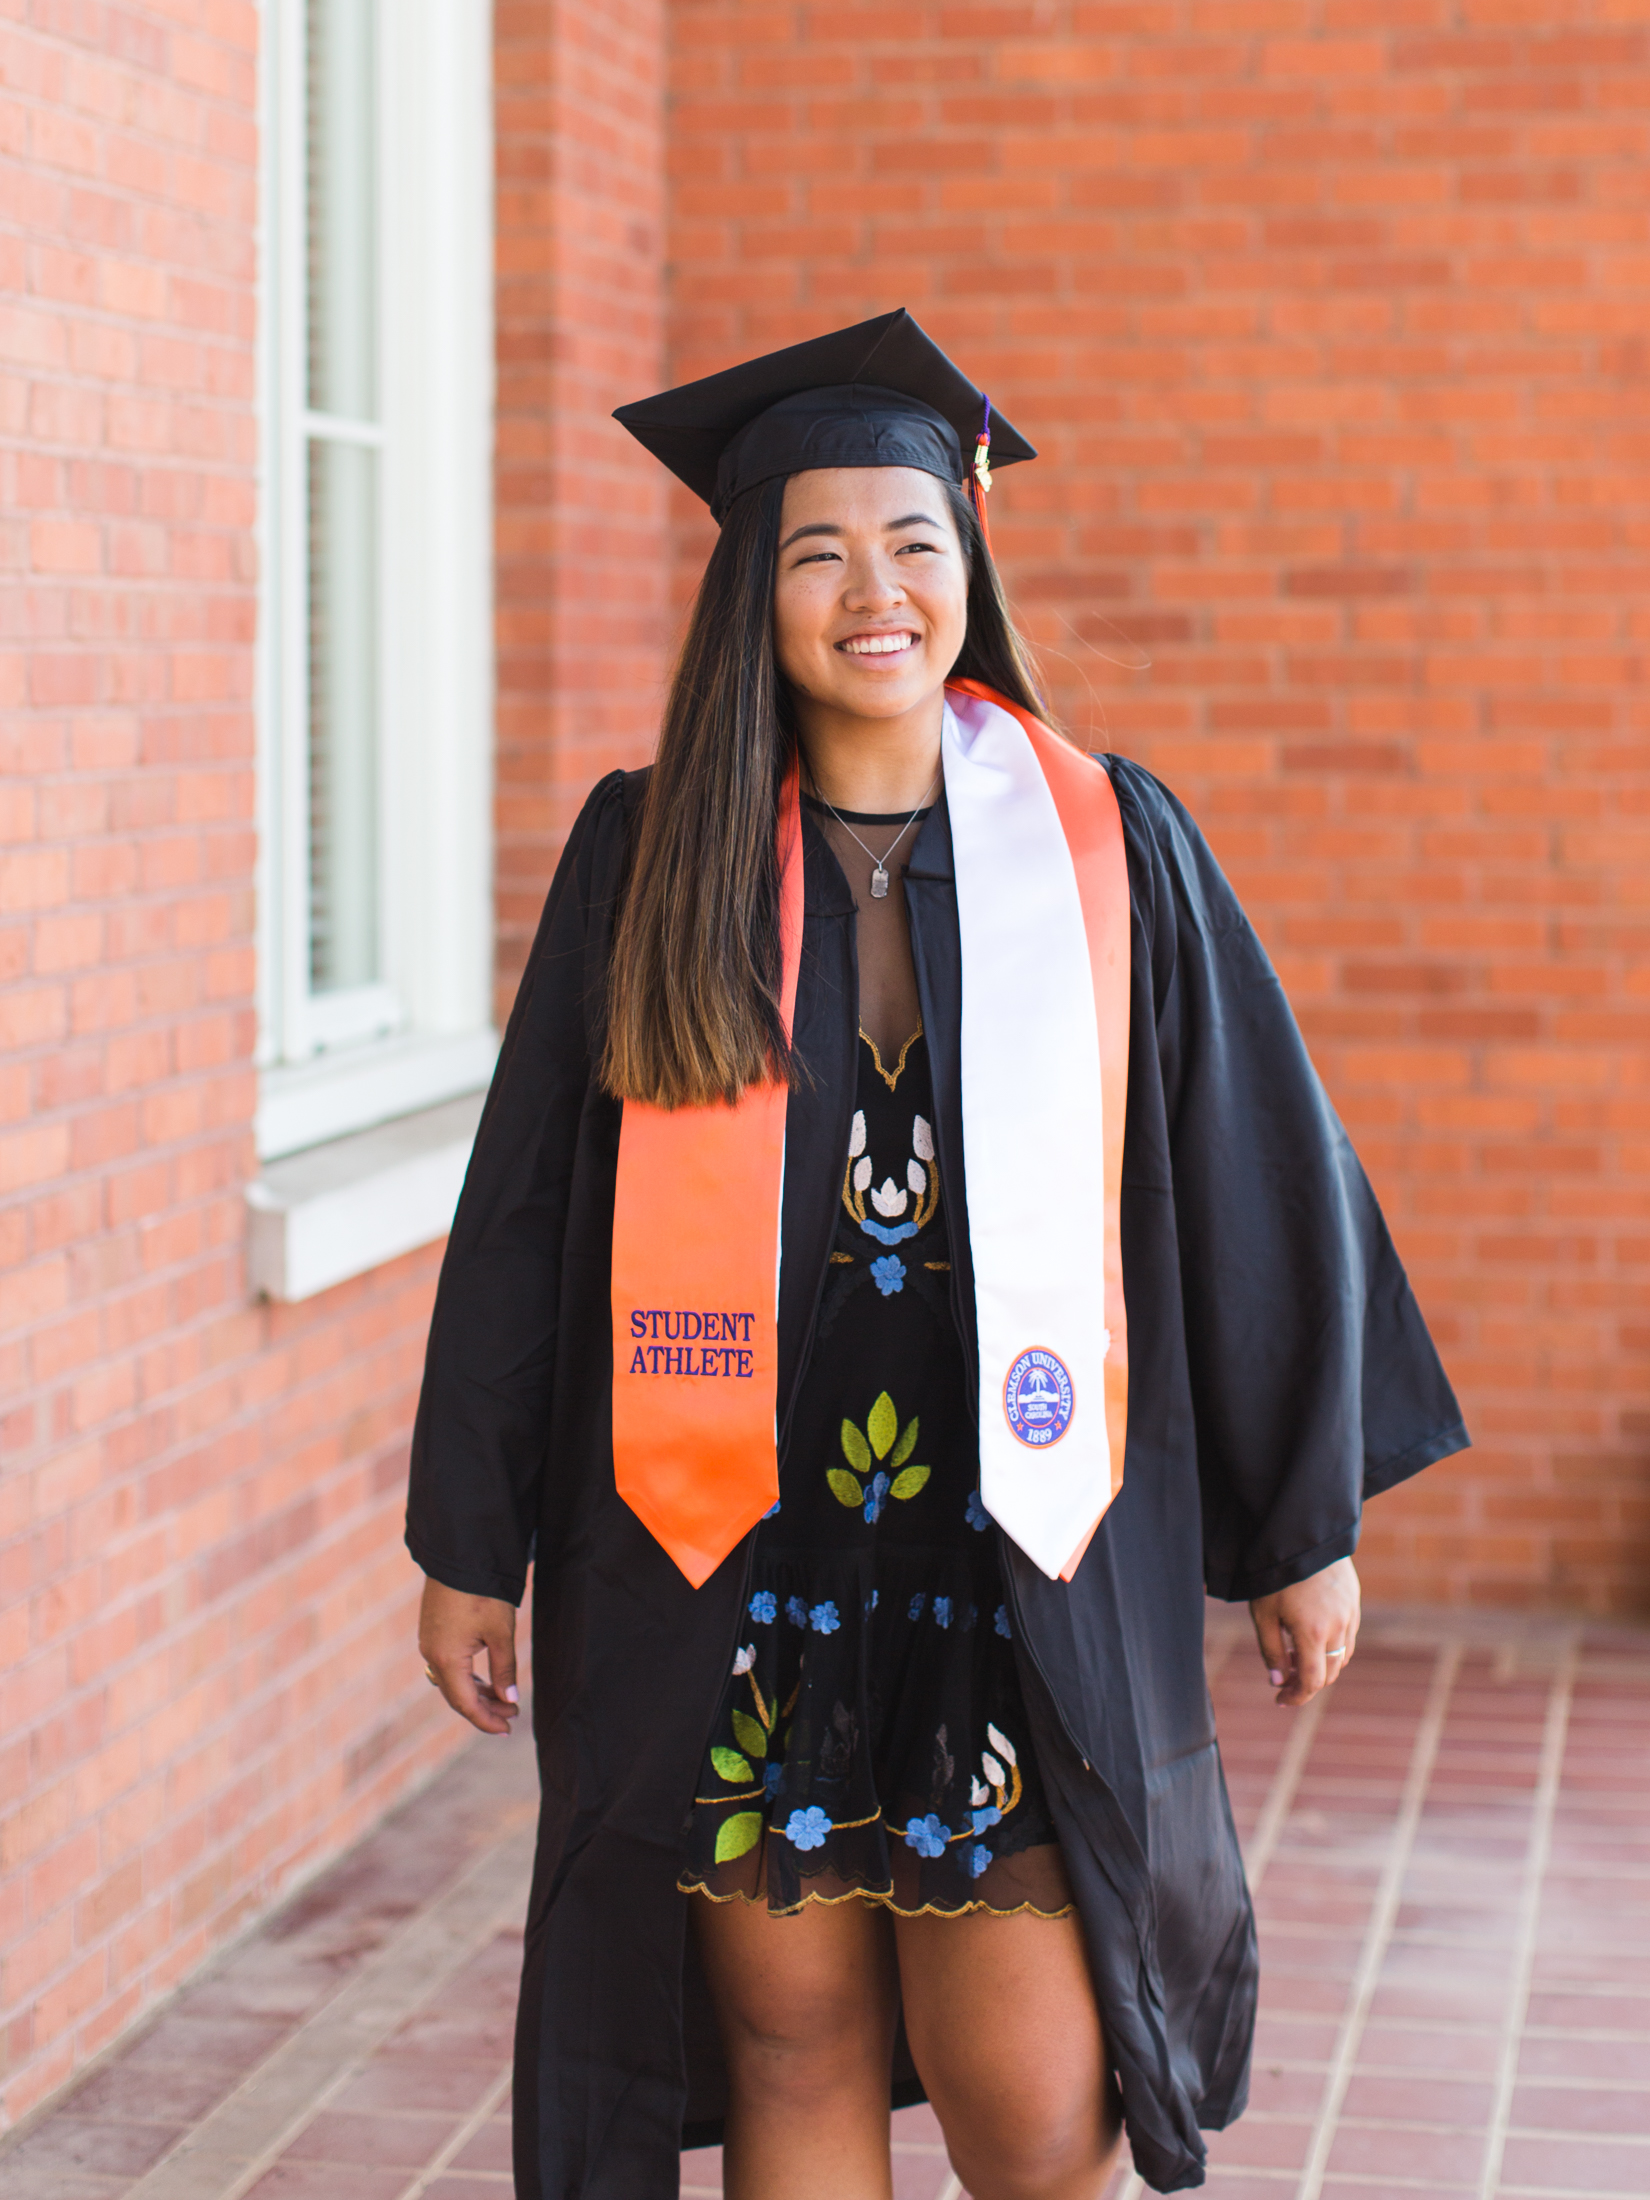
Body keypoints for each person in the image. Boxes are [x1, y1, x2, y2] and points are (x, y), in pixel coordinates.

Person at [406, 309, 1467, 2200]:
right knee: (790, 2045)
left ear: (969, 561)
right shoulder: (652, 860)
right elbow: (525, 1222)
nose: (873, 590)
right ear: (755, 594)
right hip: (731, 1553)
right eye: (816, 549)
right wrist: (470, 1546)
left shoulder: (1105, 848)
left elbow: (1254, 1171)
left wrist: (1303, 1520)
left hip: (1018, 1562)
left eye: (912, 540)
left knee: (1035, 2100)